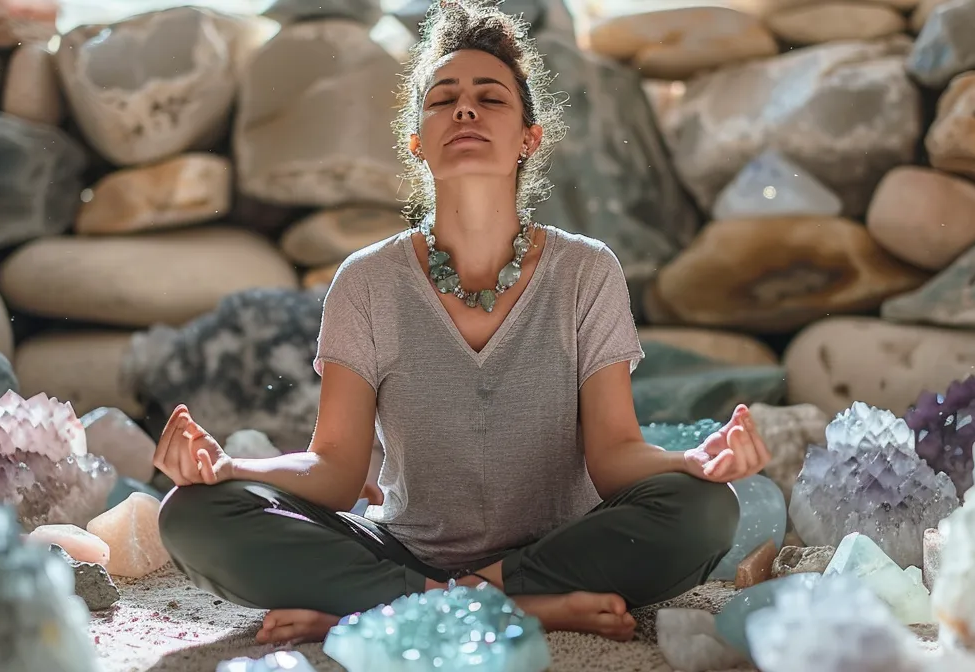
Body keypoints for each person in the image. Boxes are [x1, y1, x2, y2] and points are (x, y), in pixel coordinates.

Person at [155, 0, 771, 645]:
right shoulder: (366, 281)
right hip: (404, 550)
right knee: (195, 516)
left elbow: (614, 456)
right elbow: (336, 471)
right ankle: (508, 606)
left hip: (564, 546)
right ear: (418, 141)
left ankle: (380, 611)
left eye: (491, 98)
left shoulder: (587, 271)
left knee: (702, 509)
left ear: (530, 137)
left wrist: (693, 460)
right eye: (442, 99)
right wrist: (231, 471)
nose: (465, 109)